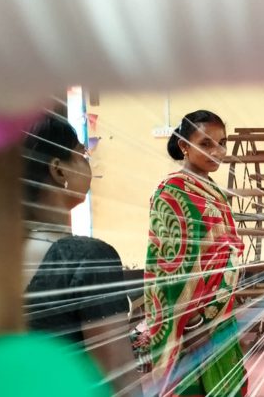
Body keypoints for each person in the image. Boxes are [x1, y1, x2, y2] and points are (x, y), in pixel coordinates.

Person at [21, 114, 141, 395]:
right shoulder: (87, 257)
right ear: (59, 170)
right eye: (82, 154)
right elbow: (118, 379)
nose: (89, 163)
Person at [144, 110, 247, 396]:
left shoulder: (212, 189)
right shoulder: (171, 192)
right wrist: (193, 325)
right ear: (184, 146)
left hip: (219, 313)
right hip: (192, 323)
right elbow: (168, 265)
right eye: (205, 144)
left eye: (222, 143)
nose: (217, 151)